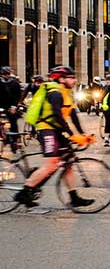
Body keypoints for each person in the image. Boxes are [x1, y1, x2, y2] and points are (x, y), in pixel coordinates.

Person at [14, 66, 96, 208]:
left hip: (56, 129)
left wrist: (82, 133)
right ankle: (24, 192)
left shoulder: (67, 93)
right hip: (47, 129)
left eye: (74, 77)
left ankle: (74, 197)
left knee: (69, 162)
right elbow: (57, 115)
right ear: (62, 79)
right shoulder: (55, 93)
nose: (74, 80)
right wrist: (71, 134)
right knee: (51, 164)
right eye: (71, 78)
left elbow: (72, 114)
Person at [0, 66, 22, 132]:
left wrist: (14, 106)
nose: (6, 76)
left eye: (8, 74)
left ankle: (15, 138)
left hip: (12, 106)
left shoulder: (15, 83)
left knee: (13, 121)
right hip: (1, 105)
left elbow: (18, 95)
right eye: (4, 74)